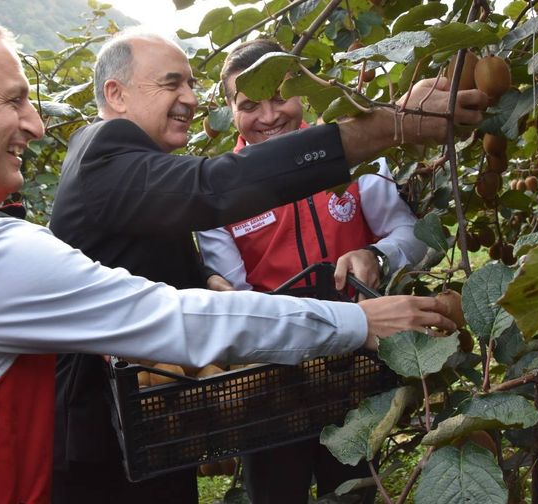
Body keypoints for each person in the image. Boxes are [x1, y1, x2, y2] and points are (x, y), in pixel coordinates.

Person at [0, 10, 457, 503]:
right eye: (14, 100)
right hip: (100, 442)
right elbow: (202, 235)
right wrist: (391, 127)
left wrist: (212, 279)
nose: (36, 124)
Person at [49, 29, 486, 503]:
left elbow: (136, 252)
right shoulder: (105, 149)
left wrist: (201, 277)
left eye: (191, 85)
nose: (190, 99)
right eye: (172, 84)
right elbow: (216, 185)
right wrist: (392, 124)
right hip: (107, 437)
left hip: (160, 427)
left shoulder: (134, 166)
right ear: (115, 94)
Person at [196, 39, 428, 504]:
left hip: (358, 368)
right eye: (248, 105)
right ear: (229, 112)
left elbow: (414, 237)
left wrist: (375, 255)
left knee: (355, 488)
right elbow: (236, 296)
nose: (268, 116)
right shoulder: (216, 193)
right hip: (272, 379)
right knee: (276, 490)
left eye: (279, 96)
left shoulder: (351, 155)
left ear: (304, 88)